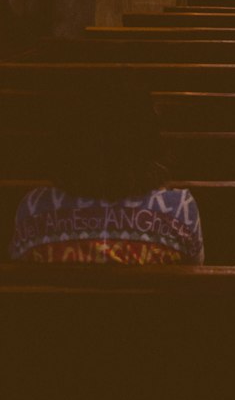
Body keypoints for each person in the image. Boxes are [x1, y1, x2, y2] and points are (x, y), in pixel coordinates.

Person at [8, 80, 204, 265]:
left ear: (70, 140)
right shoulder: (180, 210)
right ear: (148, 140)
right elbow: (194, 274)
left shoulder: (33, 208)